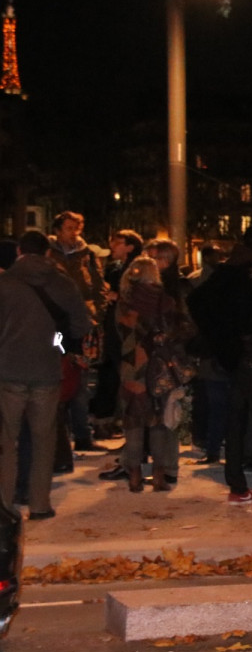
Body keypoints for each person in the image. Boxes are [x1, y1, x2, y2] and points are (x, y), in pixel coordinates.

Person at [0, 230, 90, 518]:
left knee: (7, 441)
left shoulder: (5, 283)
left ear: (19, 252)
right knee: (43, 439)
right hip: (48, 370)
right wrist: (57, 343)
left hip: (8, 370)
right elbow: (79, 326)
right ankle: (40, 504)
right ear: (48, 252)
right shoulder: (62, 283)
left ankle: (5, 504)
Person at [187, 224, 252, 506]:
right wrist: (244, 340)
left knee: (236, 419)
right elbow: (249, 314)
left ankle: (237, 483)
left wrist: (220, 341)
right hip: (250, 356)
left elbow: (196, 300)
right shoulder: (251, 273)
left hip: (232, 356)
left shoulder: (226, 271)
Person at [115, 256, 191, 492]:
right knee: (158, 421)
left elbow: (117, 336)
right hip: (159, 368)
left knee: (134, 421)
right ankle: (159, 475)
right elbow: (181, 330)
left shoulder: (125, 303)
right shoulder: (166, 301)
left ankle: (135, 474)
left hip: (132, 366)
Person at [47, 211, 108, 456]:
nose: (74, 233)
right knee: (58, 375)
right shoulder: (49, 254)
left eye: (77, 228)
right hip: (56, 326)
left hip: (83, 323)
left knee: (82, 380)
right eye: (69, 227)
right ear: (58, 229)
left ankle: (83, 434)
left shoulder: (87, 255)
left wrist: (97, 314)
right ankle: (59, 438)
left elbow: (98, 285)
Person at [90, 229, 144, 440]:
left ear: (130, 246)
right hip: (114, 329)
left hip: (123, 332)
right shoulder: (116, 269)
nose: (113, 246)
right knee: (111, 373)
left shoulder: (135, 270)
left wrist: (118, 297)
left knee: (115, 373)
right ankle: (108, 419)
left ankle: (111, 420)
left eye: (118, 242)